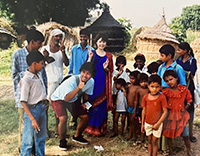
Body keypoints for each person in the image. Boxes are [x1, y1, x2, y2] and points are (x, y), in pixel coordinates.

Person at [11, 29, 45, 152]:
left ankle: (35, 151)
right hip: (24, 99)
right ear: (32, 42)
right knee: (25, 128)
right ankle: (23, 151)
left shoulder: (39, 56)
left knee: (38, 128)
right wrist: (29, 73)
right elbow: (14, 76)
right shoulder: (18, 54)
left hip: (37, 100)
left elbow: (43, 77)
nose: (40, 46)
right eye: (39, 43)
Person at [51, 62, 96, 149]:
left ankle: (77, 136)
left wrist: (85, 105)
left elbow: (87, 96)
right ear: (80, 71)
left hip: (73, 99)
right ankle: (62, 141)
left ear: (92, 75)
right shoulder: (73, 80)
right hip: (59, 98)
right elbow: (66, 98)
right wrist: (78, 88)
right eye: (83, 72)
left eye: (88, 73)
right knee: (63, 118)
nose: (85, 75)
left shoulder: (91, 82)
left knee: (85, 116)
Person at [40, 28, 69, 136]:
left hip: (59, 81)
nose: (58, 38)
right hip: (47, 81)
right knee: (46, 106)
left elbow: (66, 63)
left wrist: (63, 52)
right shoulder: (45, 49)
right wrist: (45, 57)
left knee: (59, 105)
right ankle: (45, 130)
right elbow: (41, 64)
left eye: (60, 37)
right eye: (56, 36)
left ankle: (58, 129)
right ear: (52, 37)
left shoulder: (63, 49)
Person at [85, 34, 114, 136]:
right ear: (96, 42)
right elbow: (87, 68)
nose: (102, 44)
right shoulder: (92, 54)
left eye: (104, 42)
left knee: (101, 106)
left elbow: (111, 71)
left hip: (103, 84)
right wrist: (89, 58)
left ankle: (101, 129)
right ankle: (90, 127)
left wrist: (106, 69)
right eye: (100, 41)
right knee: (92, 104)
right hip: (93, 83)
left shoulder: (109, 56)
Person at [19, 51, 47, 156]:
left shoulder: (38, 75)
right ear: (34, 63)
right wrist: (32, 119)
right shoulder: (26, 80)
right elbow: (23, 101)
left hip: (42, 109)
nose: (42, 66)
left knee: (41, 139)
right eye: (41, 63)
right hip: (32, 110)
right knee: (28, 141)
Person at [162, 70, 192, 156]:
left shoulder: (183, 90)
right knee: (169, 135)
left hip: (181, 116)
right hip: (170, 116)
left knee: (185, 135)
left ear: (176, 78)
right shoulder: (166, 92)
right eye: (167, 81)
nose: (169, 82)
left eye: (171, 79)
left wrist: (185, 108)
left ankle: (189, 152)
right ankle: (170, 152)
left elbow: (189, 100)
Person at [68, 28, 94, 129]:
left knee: (85, 99)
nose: (83, 39)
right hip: (75, 77)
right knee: (74, 99)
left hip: (86, 78)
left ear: (88, 38)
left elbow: (90, 65)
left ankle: (84, 119)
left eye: (85, 37)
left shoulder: (91, 50)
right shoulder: (74, 49)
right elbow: (72, 63)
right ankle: (73, 120)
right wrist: (70, 74)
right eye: (81, 37)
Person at [141, 74, 168, 156]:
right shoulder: (145, 97)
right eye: (152, 86)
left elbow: (165, 112)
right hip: (147, 123)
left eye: (157, 87)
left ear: (160, 87)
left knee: (155, 141)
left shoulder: (162, 97)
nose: (154, 89)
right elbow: (144, 110)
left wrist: (158, 124)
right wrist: (142, 124)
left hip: (157, 123)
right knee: (149, 141)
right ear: (148, 86)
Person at [176, 42, 197, 143]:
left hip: (189, 88)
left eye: (179, 50)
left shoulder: (192, 61)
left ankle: (191, 134)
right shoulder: (178, 60)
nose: (177, 51)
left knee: (190, 109)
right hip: (179, 88)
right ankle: (182, 132)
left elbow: (192, 75)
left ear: (185, 51)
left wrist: (180, 72)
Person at [112, 55, 130, 131]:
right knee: (114, 112)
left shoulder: (126, 73)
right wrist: (119, 74)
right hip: (115, 93)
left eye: (122, 63)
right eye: (119, 63)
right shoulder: (114, 72)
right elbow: (114, 79)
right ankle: (114, 128)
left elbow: (128, 83)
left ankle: (123, 129)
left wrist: (123, 88)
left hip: (123, 94)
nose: (121, 65)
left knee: (123, 115)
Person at [135, 73, 149, 143]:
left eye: (145, 81)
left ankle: (148, 137)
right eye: (141, 82)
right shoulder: (138, 90)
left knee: (148, 123)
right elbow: (136, 101)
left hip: (148, 109)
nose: (143, 84)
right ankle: (142, 138)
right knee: (141, 123)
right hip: (140, 108)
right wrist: (135, 110)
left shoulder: (149, 89)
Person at [127, 71, 140, 140]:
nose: (131, 80)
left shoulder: (138, 88)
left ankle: (134, 135)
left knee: (134, 122)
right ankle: (130, 135)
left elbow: (136, 100)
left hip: (135, 107)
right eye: (130, 78)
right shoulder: (130, 86)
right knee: (130, 122)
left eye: (133, 79)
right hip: (129, 106)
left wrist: (135, 110)